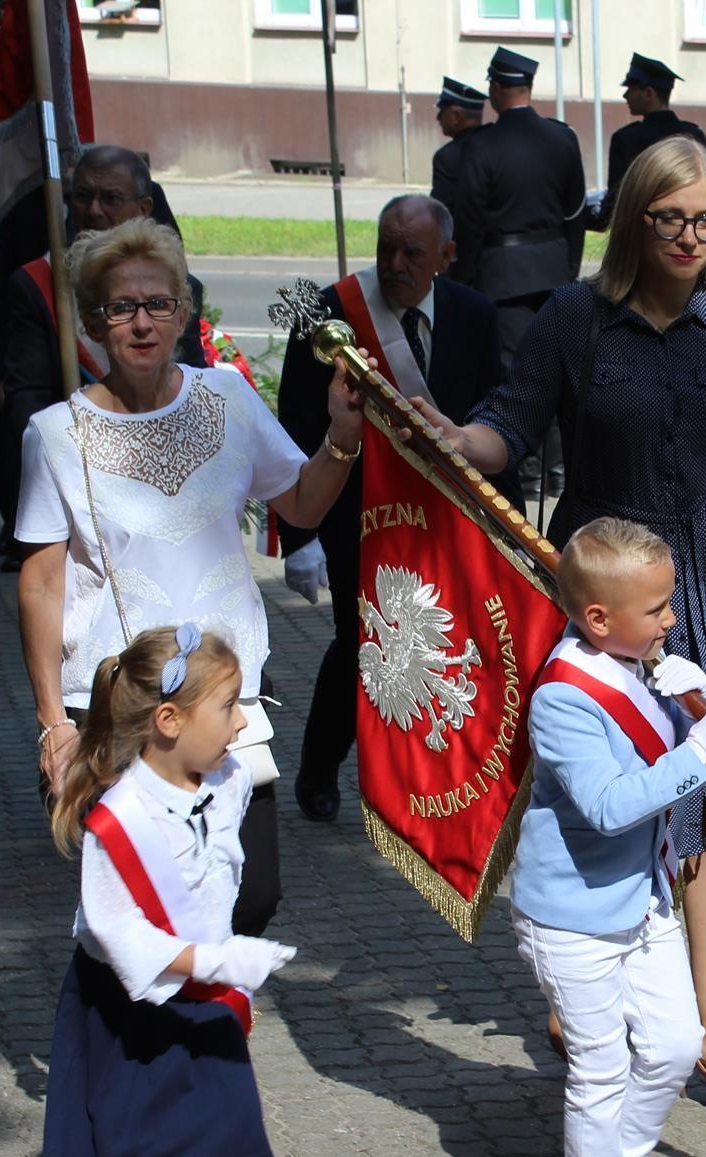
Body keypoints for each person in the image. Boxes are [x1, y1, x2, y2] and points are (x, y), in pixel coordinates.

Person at [418, 137, 706, 1126]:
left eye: (705, 220)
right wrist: (450, 435)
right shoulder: (577, 318)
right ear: (632, 222)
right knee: (603, 799)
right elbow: (506, 430)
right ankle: (591, 980)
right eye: (669, 219)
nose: (690, 238)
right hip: (603, 588)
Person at [15, 216, 363, 938]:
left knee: (250, 894)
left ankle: (196, 1024)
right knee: (146, 912)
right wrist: (53, 724)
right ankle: (155, 1041)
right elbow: (42, 586)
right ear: (93, 320)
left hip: (225, 705)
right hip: (115, 708)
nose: (142, 323)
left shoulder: (228, 399)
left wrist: (341, 438)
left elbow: (298, 501)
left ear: (183, 310)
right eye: (121, 307)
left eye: (159, 303)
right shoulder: (53, 434)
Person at [42, 622, 296, 1157]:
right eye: (228, 707)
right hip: (132, 1002)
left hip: (203, 988)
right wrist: (216, 962)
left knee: (214, 1116)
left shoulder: (231, 779)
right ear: (168, 720)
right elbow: (115, 932)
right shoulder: (117, 819)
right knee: (132, 1137)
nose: (243, 721)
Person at [515, 519, 706, 1157]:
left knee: (678, 1046)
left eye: (667, 603)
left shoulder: (627, 660)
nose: (670, 620)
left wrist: (687, 693)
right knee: (602, 1064)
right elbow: (613, 805)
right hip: (571, 915)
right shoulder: (563, 697)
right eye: (656, 611)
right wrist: (700, 751)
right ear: (597, 619)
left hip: (641, 899)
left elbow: (643, 722)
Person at [274, 193, 507, 824]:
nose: (396, 263)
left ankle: (424, 784)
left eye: (413, 252)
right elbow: (294, 421)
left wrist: (500, 523)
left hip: (445, 518)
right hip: (357, 512)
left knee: (444, 649)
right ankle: (320, 768)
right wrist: (298, 536)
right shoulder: (330, 313)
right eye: (386, 249)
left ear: (447, 257)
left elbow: (493, 417)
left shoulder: (475, 314)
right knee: (362, 647)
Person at [2, 145, 209, 475]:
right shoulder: (38, 284)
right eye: (83, 196)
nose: (94, 210)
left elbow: (193, 383)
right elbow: (28, 400)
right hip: (73, 469)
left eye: (110, 198)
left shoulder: (179, 287)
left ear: (143, 208)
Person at [432, 47, 587, 364]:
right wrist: (569, 264)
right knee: (554, 360)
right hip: (554, 266)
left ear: (496, 88)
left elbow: (470, 219)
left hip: (501, 275)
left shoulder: (482, 144)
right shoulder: (562, 137)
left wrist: (464, 277)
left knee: (512, 366)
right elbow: (575, 209)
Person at [589, 54, 704, 230]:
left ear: (649, 93)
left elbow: (617, 197)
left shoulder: (626, 139)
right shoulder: (694, 135)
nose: (625, 95)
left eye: (631, 89)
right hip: (686, 229)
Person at [429, 78, 486, 198]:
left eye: (442, 112)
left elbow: (440, 210)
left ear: (456, 116)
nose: (438, 118)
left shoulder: (447, 157)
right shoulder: (498, 144)